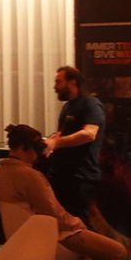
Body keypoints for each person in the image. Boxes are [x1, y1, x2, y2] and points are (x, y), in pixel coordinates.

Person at [0, 125, 131, 260]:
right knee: (116, 251)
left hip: (21, 240)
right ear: (26, 148)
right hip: (49, 240)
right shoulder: (29, 176)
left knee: (90, 250)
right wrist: (77, 223)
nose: (38, 156)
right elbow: (53, 212)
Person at [46, 65, 109, 230]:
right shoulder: (67, 107)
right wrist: (52, 140)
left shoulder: (90, 104)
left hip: (81, 177)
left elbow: (89, 134)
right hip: (63, 175)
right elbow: (62, 135)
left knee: (81, 224)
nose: (55, 87)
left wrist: (57, 142)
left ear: (72, 82)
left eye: (58, 82)